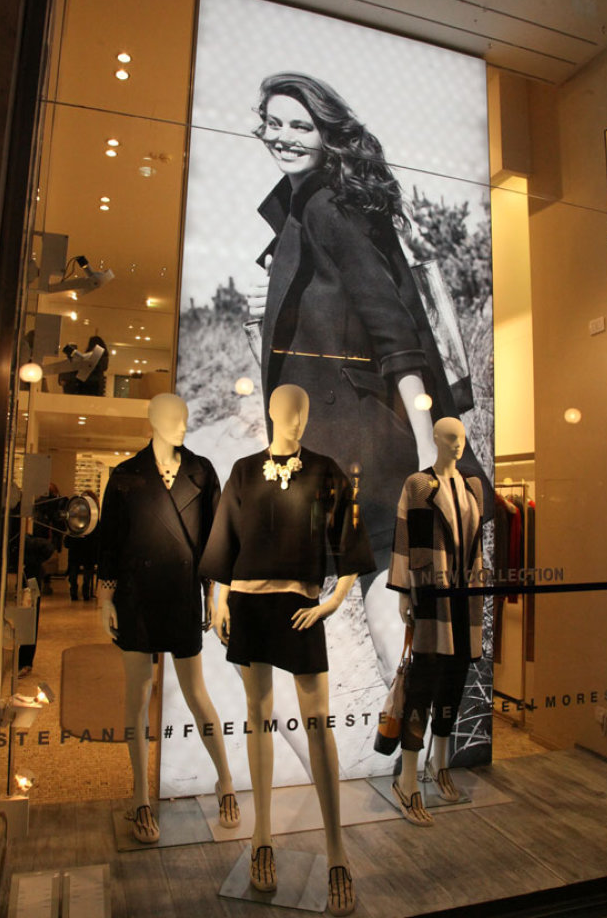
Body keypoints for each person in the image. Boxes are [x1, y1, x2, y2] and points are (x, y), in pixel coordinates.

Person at [248, 71, 491, 681]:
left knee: (381, 582)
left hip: (363, 441)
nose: (284, 136)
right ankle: (411, 710)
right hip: (350, 437)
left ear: (327, 135)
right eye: (274, 123)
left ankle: (411, 707)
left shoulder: (326, 206)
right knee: (384, 584)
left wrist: (426, 447)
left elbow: (391, 329)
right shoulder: (310, 207)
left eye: (301, 125)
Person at [200, 385, 375, 917]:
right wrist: (219, 597)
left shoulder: (325, 472)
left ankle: (337, 850)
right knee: (258, 716)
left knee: (318, 721)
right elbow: (226, 539)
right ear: (272, 412)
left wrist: (333, 602)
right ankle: (262, 837)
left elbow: (349, 541)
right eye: (288, 410)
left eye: (303, 410)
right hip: (249, 605)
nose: (297, 419)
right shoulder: (244, 471)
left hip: (300, 606)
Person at [97, 393, 240, 843]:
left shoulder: (201, 471)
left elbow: (217, 538)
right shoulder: (126, 475)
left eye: (185, 417)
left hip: (183, 593)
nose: (182, 424)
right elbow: (109, 541)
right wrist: (105, 598)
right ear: (152, 420)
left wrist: (216, 594)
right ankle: (140, 796)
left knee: (197, 693)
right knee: (137, 696)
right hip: (135, 596)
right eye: (173, 418)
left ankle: (225, 781)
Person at [386, 417, 484, 825]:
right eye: (449, 437)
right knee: (423, 684)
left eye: (461, 437)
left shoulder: (473, 486)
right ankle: (406, 779)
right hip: (431, 596)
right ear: (435, 439)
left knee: (454, 680)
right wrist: (404, 592)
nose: (457, 444)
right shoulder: (418, 485)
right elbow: (404, 537)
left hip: (465, 599)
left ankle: (439, 763)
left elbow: (476, 546)